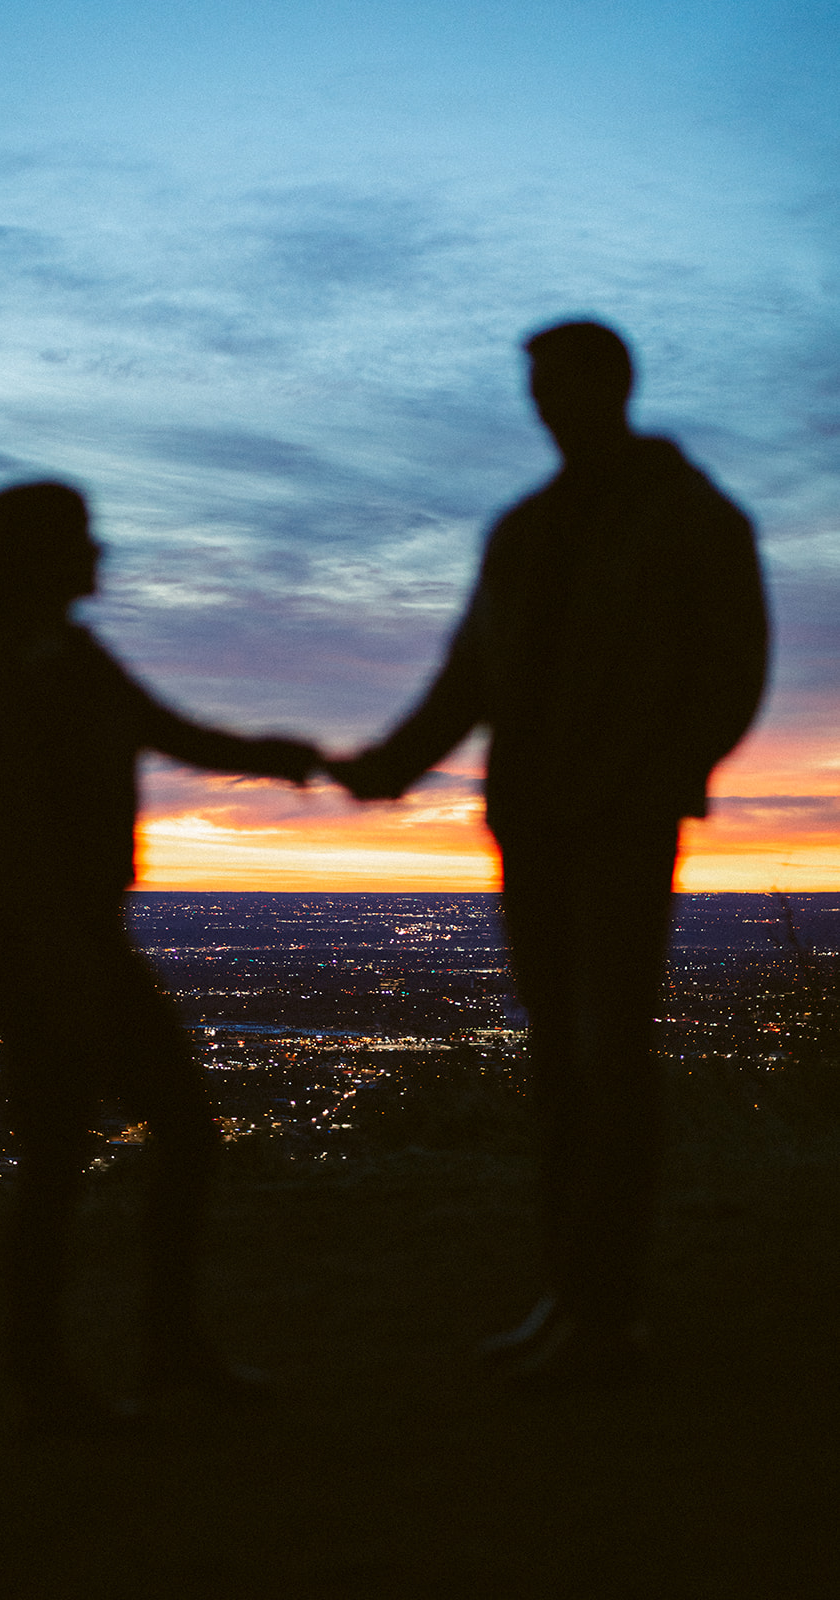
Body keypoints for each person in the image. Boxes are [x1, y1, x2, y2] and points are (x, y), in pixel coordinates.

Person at [329, 322, 768, 1381]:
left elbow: (730, 670)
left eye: (556, 384)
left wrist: (651, 777)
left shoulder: (689, 517)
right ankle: (571, 1296)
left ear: (608, 385)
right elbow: (470, 671)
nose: (542, 405)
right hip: (529, 822)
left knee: (604, 1055)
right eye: (533, 387)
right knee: (566, 1063)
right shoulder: (524, 529)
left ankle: (604, 1309)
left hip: (619, 824)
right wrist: (387, 764)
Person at [0, 481, 316, 1430]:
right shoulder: (5, 659)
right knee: (80, 1152)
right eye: (83, 540)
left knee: (149, 1140)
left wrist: (294, 759)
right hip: (44, 945)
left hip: (75, 939)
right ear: (40, 554)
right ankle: (65, 1374)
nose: (101, 553)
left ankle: (149, 1351)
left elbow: (170, 732)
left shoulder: (63, 653)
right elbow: (25, 814)